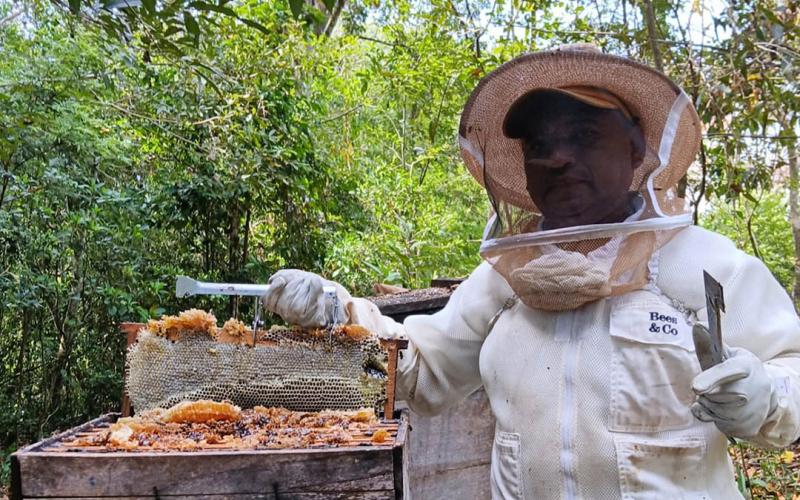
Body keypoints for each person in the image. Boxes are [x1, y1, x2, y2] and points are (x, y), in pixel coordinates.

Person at [261, 45, 800, 499]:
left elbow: (792, 367)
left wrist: (765, 395)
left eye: (584, 134)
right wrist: (341, 313)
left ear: (636, 145)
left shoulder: (702, 263)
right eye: (539, 144)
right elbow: (422, 373)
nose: (557, 157)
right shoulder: (507, 278)